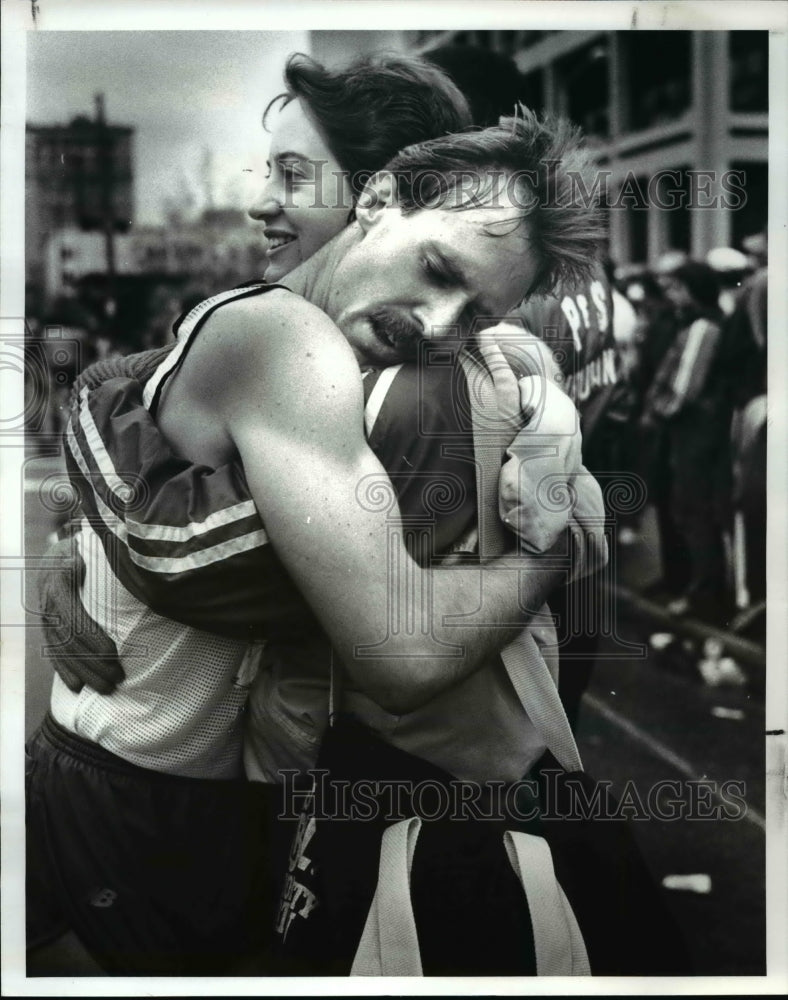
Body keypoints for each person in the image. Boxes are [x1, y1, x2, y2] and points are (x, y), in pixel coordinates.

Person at [28, 82, 605, 974]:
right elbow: (399, 653)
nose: (439, 326)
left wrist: (83, 516)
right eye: (442, 273)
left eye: (298, 175)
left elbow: (134, 401)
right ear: (375, 202)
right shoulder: (293, 341)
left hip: (200, 783)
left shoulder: (426, 365)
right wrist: (556, 550)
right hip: (143, 780)